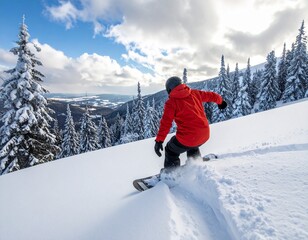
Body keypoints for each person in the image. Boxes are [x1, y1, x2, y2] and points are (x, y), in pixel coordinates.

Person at [154, 76, 227, 170]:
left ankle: (171, 174)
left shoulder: (171, 103)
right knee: (192, 143)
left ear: (169, 89)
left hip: (189, 138)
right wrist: (221, 102)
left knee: (170, 149)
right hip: (204, 134)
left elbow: (166, 123)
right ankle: (195, 163)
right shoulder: (195, 93)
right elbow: (211, 95)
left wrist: (159, 141)